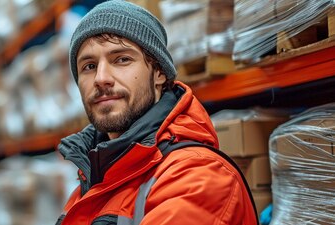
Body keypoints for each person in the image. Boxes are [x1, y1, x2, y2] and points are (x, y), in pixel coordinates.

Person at [56, 1, 258, 224]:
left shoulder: (197, 176)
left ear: (159, 73)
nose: (101, 78)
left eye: (122, 59)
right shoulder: (94, 176)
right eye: (89, 66)